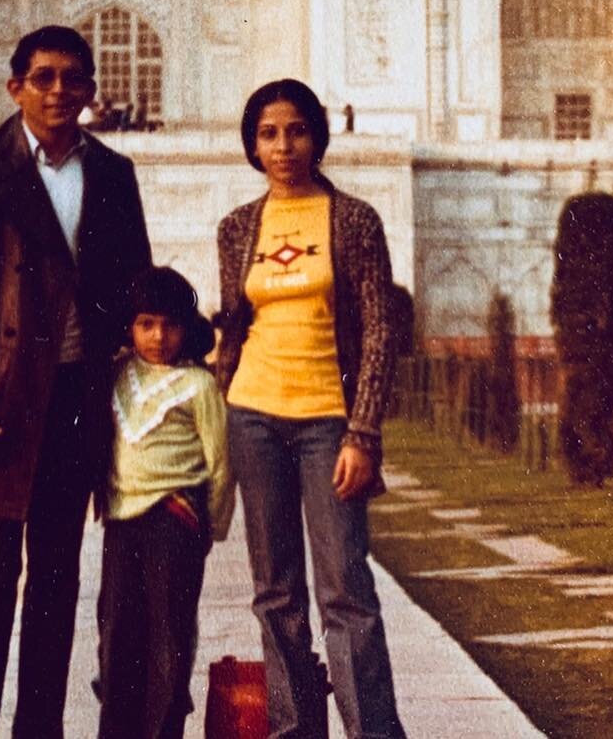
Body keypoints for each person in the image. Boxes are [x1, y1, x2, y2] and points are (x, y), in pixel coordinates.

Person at [0, 24, 152, 739]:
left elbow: (132, 286)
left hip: (77, 399)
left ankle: (39, 729)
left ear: (90, 90)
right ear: (14, 85)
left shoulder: (112, 173)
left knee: (56, 579)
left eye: (73, 79)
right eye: (43, 77)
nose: (59, 91)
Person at [217, 78, 406, 739]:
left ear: (317, 135)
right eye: (268, 132)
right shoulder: (239, 226)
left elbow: (381, 327)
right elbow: (236, 328)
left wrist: (363, 430)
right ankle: (295, 730)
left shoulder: (352, 219)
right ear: (252, 143)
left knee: (345, 590)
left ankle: (373, 733)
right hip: (253, 416)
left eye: (295, 129)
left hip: (329, 420)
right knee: (275, 593)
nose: (283, 144)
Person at [95, 267, 232, 739]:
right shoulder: (116, 376)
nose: (157, 337)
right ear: (130, 327)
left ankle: (163, 731)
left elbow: (220, 463)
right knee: (117, 633)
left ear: (187, 329)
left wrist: (211, 528)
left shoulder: (199, 385)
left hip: (175, 518)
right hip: (122, 520)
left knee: (168, 637)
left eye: (170, 325)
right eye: (146, 324)